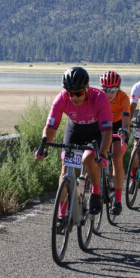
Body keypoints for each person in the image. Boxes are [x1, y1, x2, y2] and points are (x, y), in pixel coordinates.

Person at [35, 67, 112, 226]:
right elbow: (51, 127)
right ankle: (62, 214)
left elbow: (107, 132)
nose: (74, 97)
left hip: (95, 132)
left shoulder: (99, 97)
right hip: (75, 130)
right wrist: (44, 147)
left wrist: (102, 154)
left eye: (78, 93)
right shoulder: (61, 98)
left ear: (86, 88)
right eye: (70, 93)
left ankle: (96, 193)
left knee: (89, 159)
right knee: (65, 170)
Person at [100, 70, 130, 215]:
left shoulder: (123, 98)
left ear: (118, 88)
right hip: (102, 125)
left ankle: (117, 200)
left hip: (118, 126)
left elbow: (126, 120)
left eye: (113, 90)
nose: (109, 93)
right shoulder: (98, 97)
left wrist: (124, 132)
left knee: (117, 157)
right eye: (105, 90)